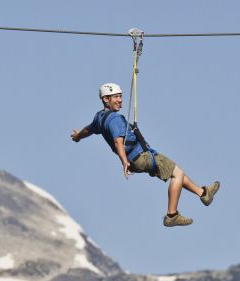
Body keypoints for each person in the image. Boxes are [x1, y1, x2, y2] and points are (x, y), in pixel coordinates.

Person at [71, 82, 219, 227]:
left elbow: (88, 130)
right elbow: (118, 141)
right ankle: (172, 215)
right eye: (115, 97)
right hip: (141, 157)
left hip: (136, 159)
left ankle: (203, 193)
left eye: (120, 96)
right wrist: (123, 162)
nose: (120, 100)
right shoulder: (115, 119)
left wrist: (78, 136)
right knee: (177, 174)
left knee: (172, 171)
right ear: (105, 99)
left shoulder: (100, 117)